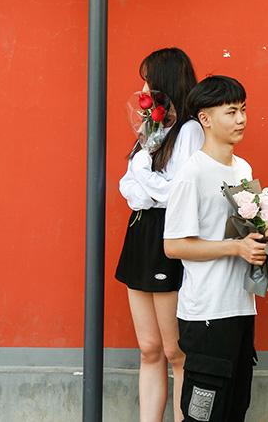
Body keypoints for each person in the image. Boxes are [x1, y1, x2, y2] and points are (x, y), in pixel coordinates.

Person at [163, 75, 266, 422]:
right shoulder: (191, 174)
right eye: (231, 112)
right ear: (205, 118)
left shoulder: (243, 168)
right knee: (203, 414)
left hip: (241, 305)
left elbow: (246, 232)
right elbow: (173, 245)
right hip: (206, 311)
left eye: (244, 110)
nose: (241, 119)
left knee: (236, 407)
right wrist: (235, 248)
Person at [116, 48, 205, 422]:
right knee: (149, 348)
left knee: (175, 351)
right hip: (140, 233)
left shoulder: (189, 131)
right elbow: (129, 188)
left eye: (148, 81)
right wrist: (143, 181)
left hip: (169, 237)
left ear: (165, 81)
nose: (142, 90)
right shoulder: (153, 128)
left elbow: (177, 194)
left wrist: (143, 173)